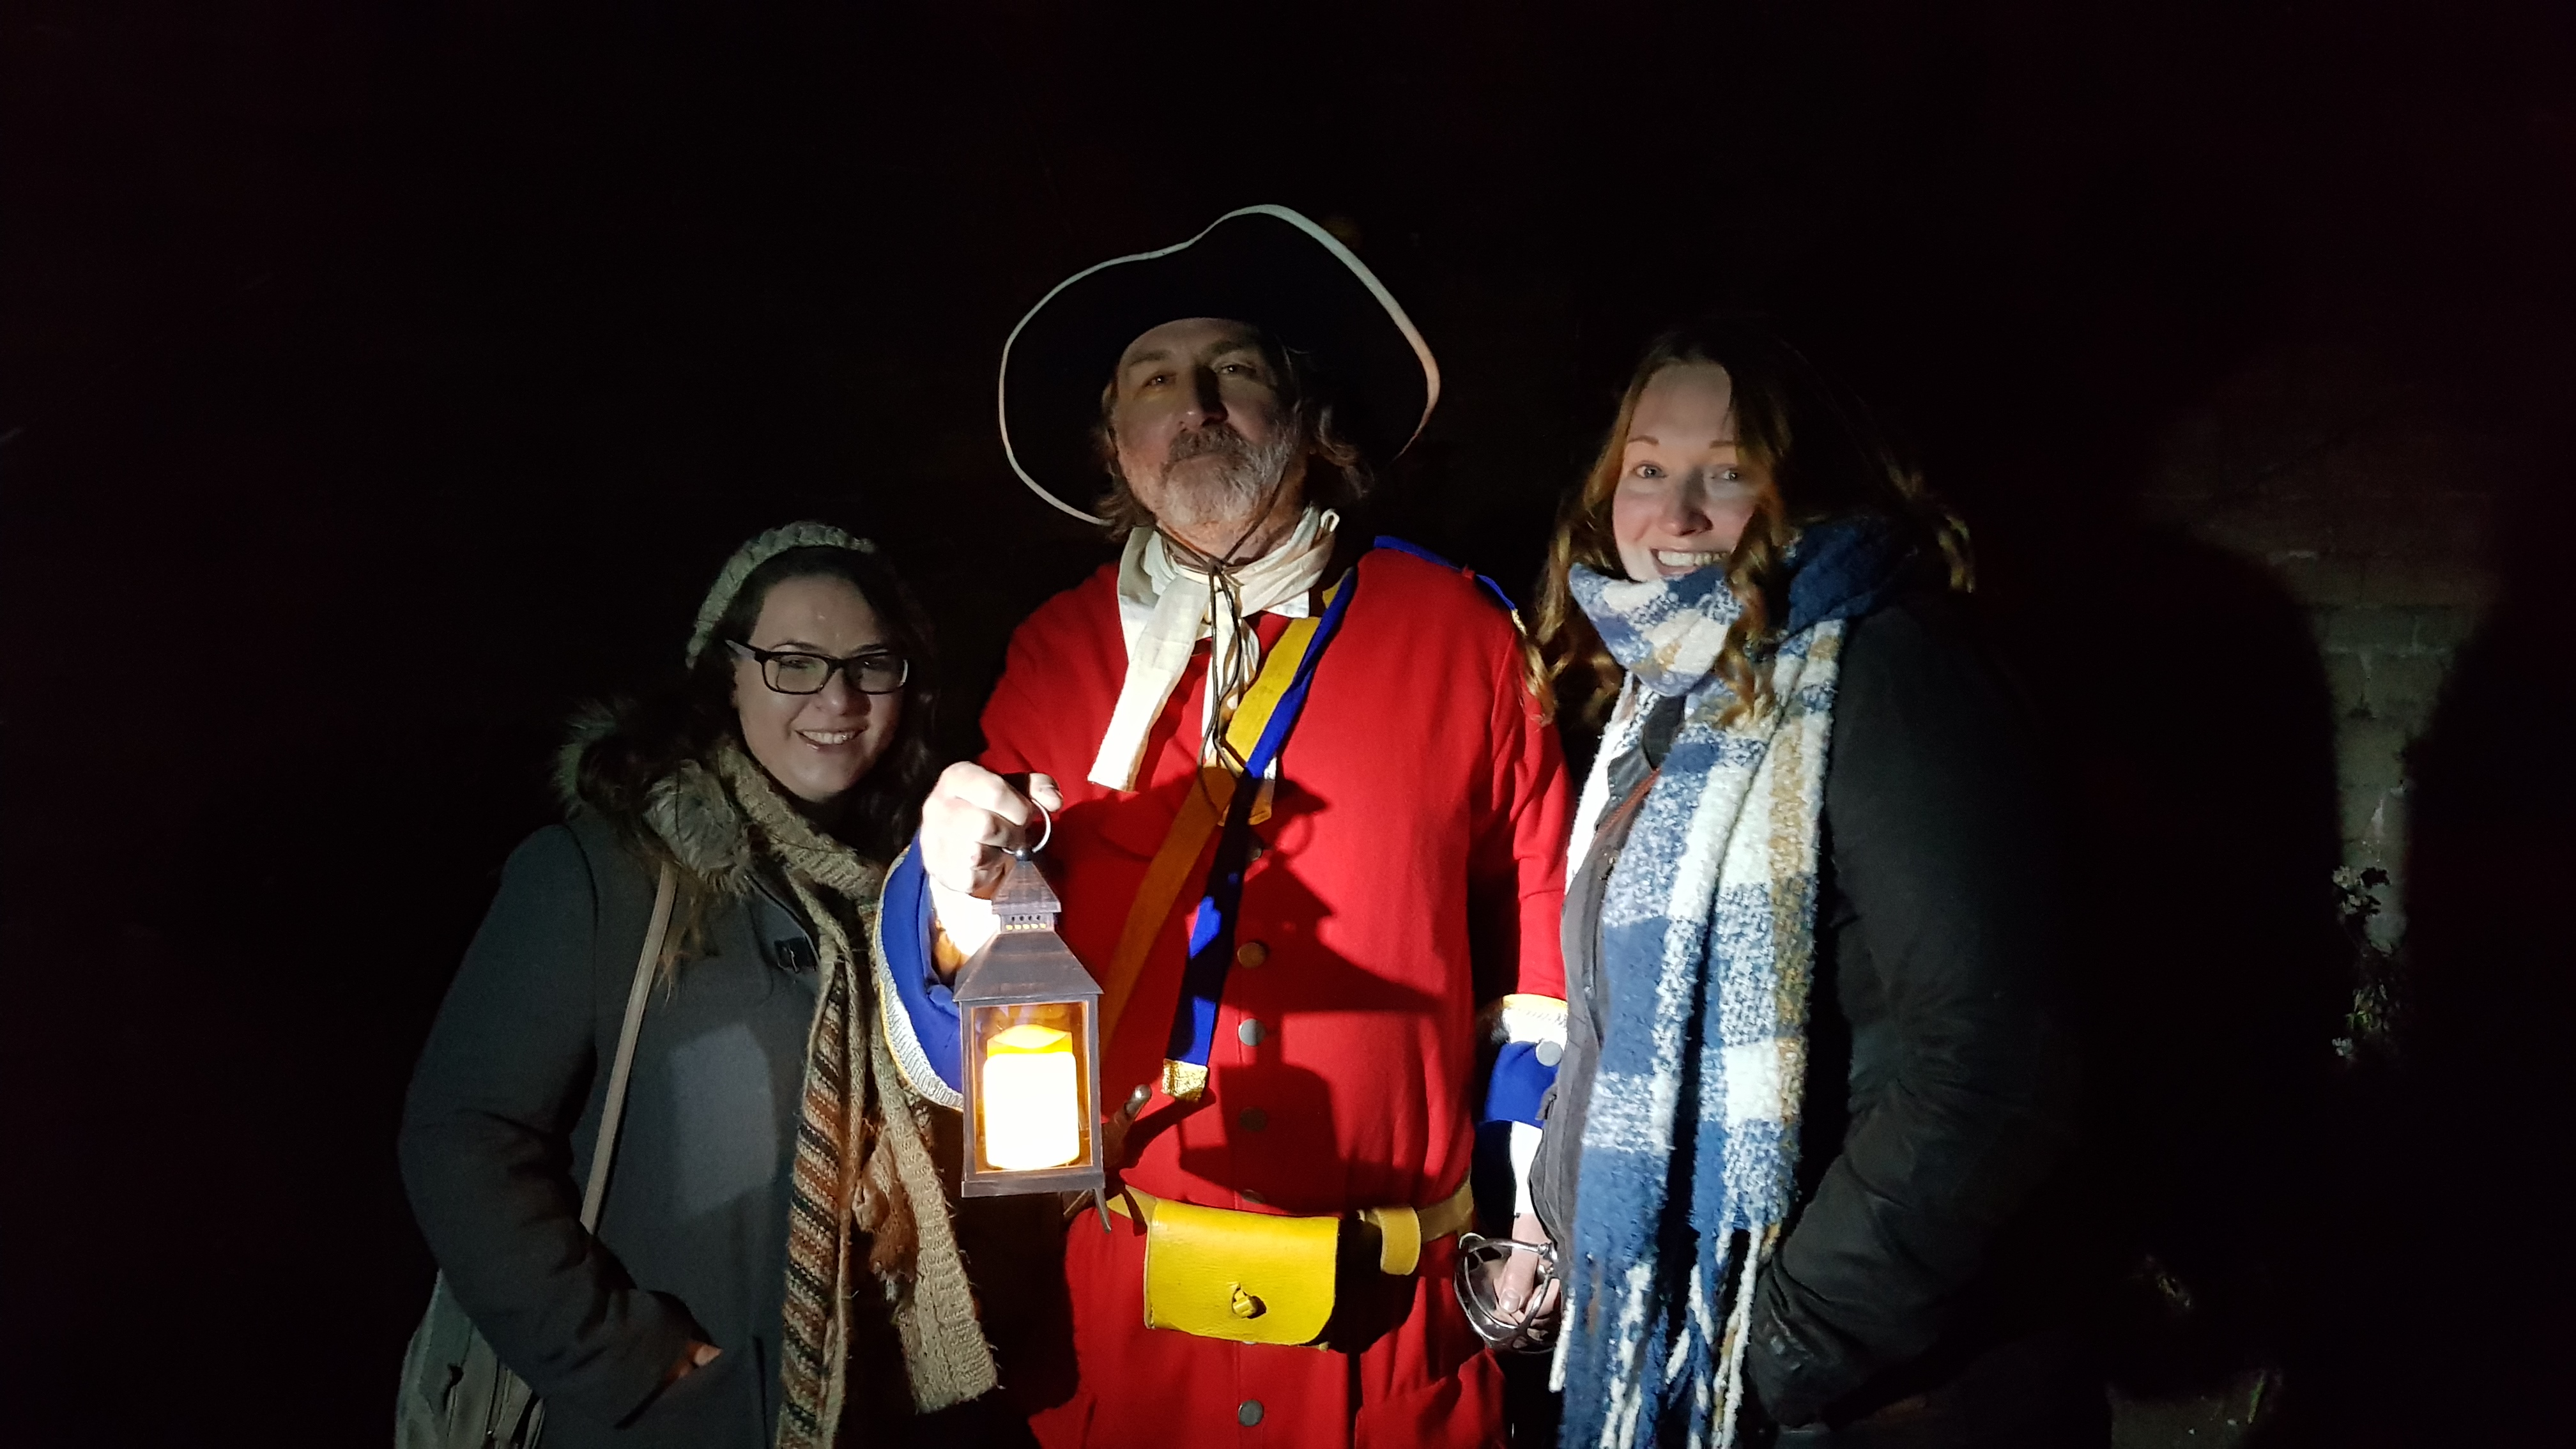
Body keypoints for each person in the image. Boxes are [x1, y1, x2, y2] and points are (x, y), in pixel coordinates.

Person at [869, 206, 1572, 1448]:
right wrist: (945, 903)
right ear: (1114, 440)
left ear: (1309, 416)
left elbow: (1548, 942)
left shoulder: (1460, 633)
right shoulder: (1057, 650)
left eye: (1235, 371)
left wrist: (1536, 1203)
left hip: (1392, 1343)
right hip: (1131, 1339)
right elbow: (973, 976)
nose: (1194, 403)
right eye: (1153, 379)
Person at [1526, 322, 2097, 1447]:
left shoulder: (1887, 673)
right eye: (1648, 469)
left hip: (1883, 1392)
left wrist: (1784, 1340)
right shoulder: (1672, 695)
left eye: (1728, 472)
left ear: (1812, 487)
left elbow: (1994, 1060)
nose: (1677, 514)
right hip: (1717, 1348)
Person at [400, 523, 1009, 1449]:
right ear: (727, 673)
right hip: (675, 1418)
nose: (836, 699)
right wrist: (629, 1361)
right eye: (793, 662)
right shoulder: (609, 870)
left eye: (869, 664)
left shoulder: (910, 890)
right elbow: (464, 1133)